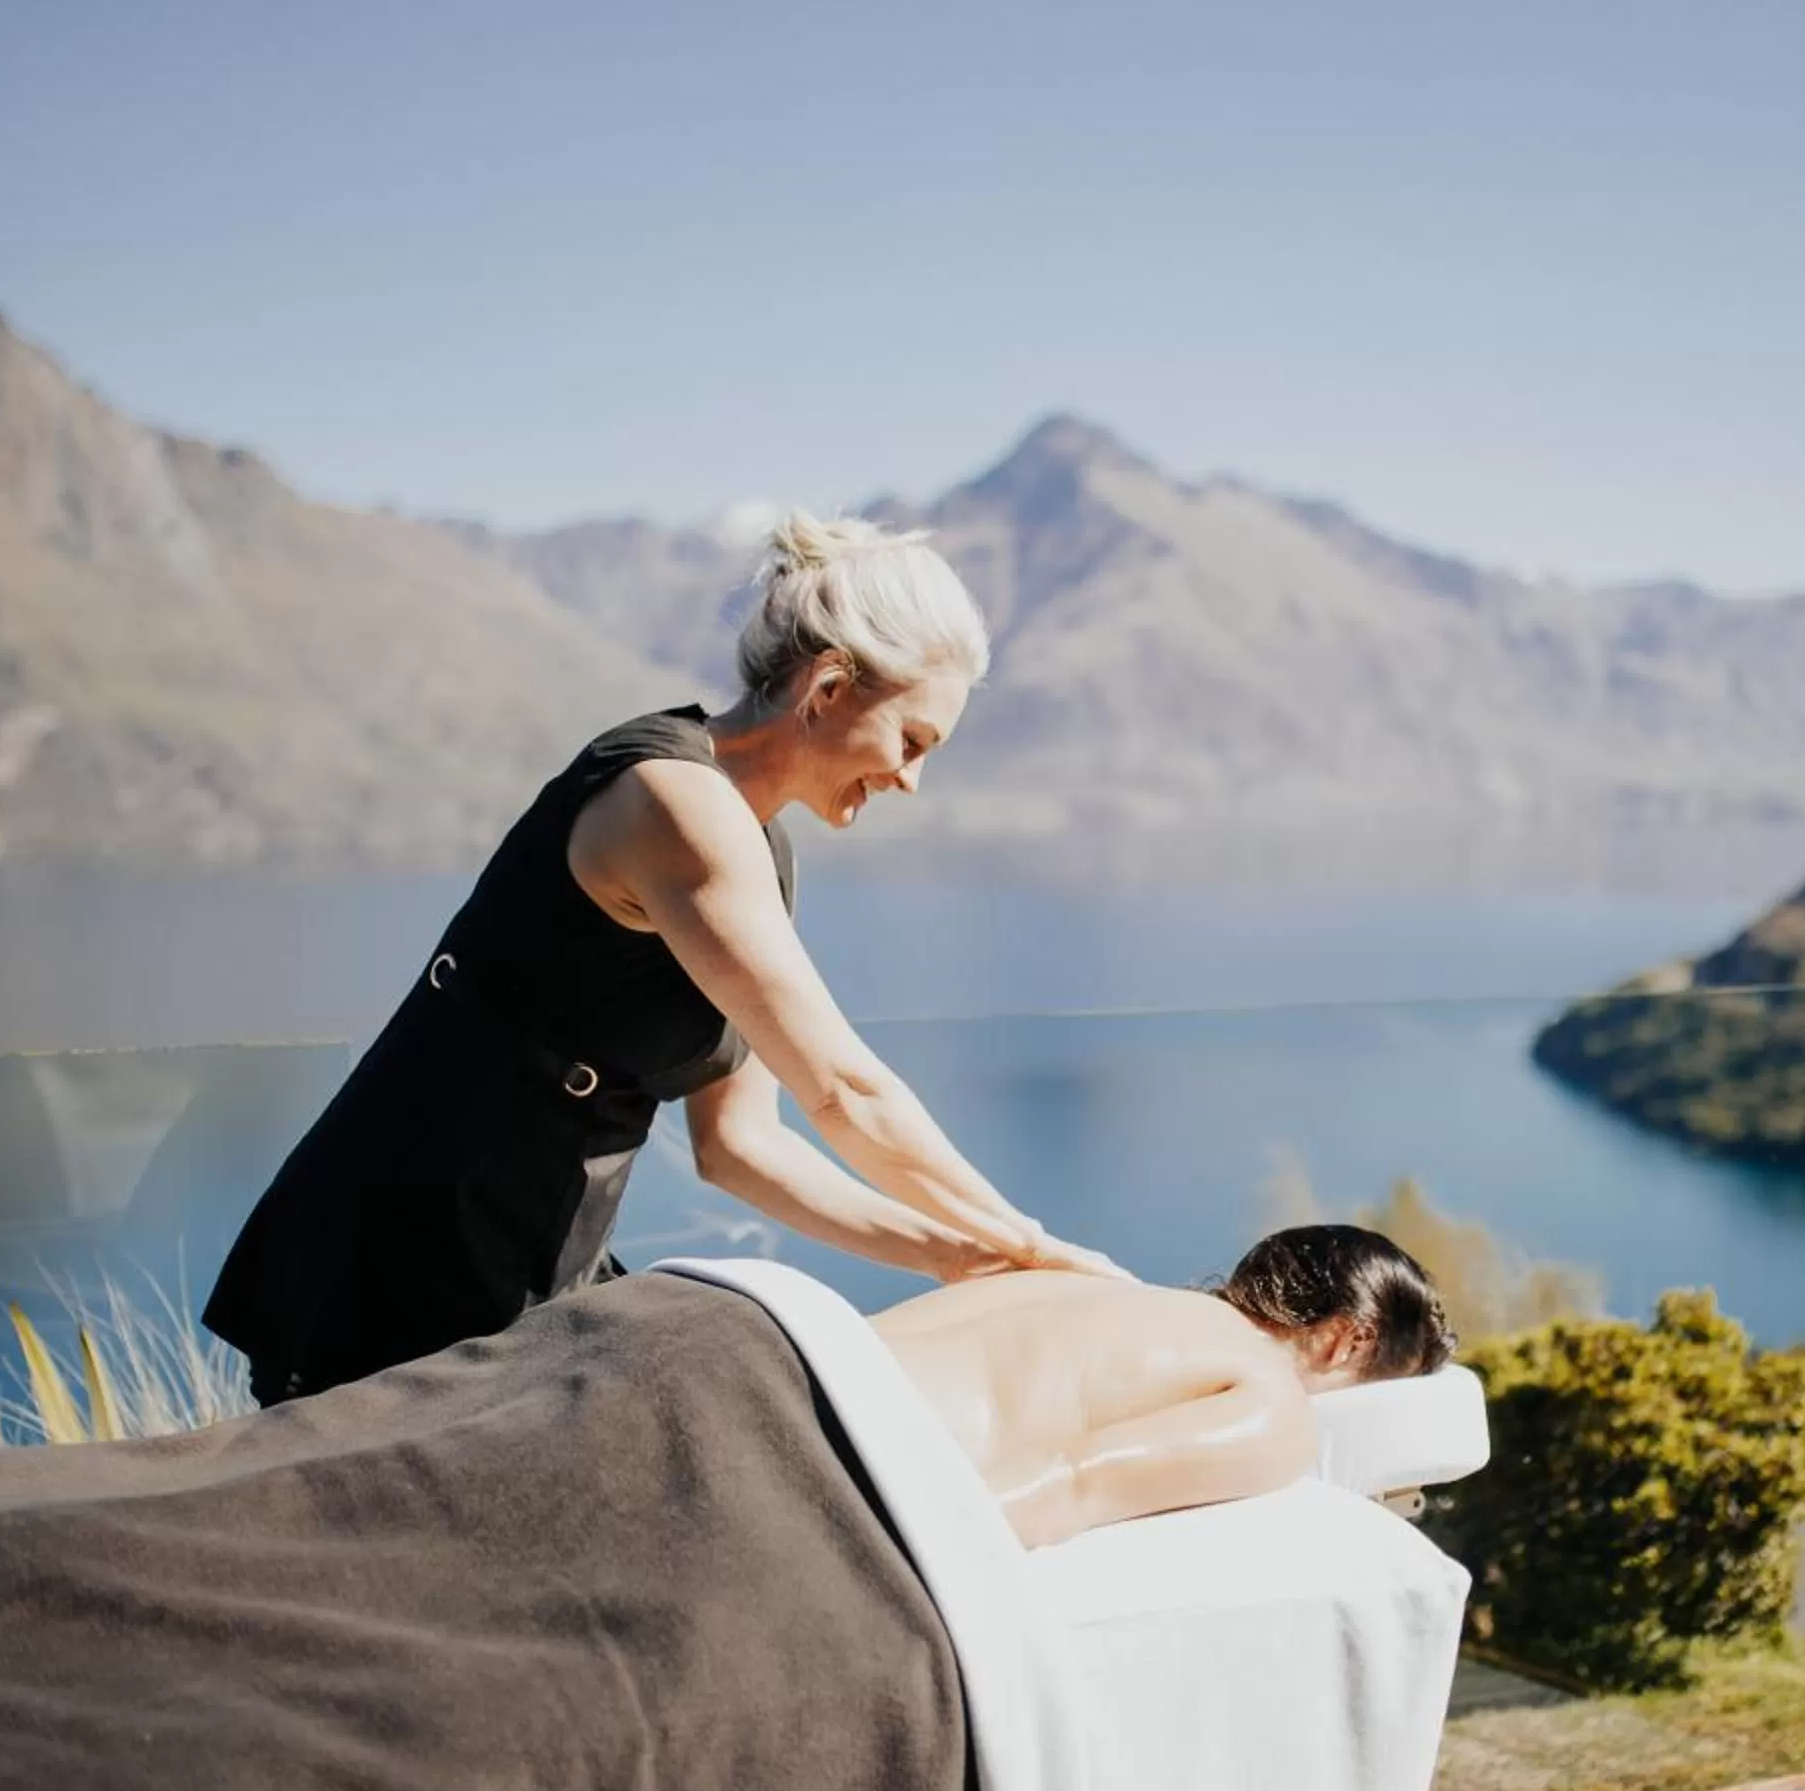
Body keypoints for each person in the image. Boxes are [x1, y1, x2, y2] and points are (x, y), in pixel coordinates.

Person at [204, 511, 1123, 1408]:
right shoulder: (673, 802)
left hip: (519, 1265)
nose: (911, 780)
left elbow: (742, 1150)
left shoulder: (757, 849)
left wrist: (959, 1254)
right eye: (911, 741)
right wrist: (1036, 1245)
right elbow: (847, 1092)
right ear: (830, 687)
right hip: (395, 1256)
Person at [874, 1224, 1458, 1547]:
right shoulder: (1269, 1402)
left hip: (794, 1360)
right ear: (1346, 1341)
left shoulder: (1088, 1287)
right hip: (851, 1461)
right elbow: (1067, 1487)